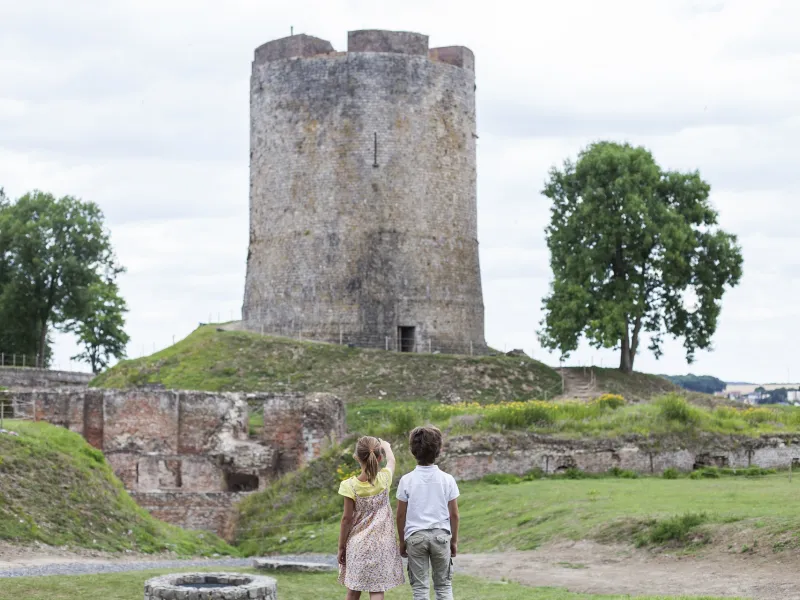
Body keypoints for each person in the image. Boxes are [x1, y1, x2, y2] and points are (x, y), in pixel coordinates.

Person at [396, 426, 460, 600]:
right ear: (439, 450)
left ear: (413, 450)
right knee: (444, 586)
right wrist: (453, 541)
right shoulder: (447, 479)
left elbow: (400, 516)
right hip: (441, 537)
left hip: (415, 538)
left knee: (420, 589)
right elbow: (454, 515)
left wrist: (402, 541)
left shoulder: (406, 480)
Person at [337, 436, 405, 599]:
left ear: (356, 457)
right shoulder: (384, 479)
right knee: (377, 590)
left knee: (353, 590)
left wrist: (341, 547)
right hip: (382, 545)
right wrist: (387, 446)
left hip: (358, 545)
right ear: (379, 458)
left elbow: (346, 520)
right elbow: (392, 461)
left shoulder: (349, 486)